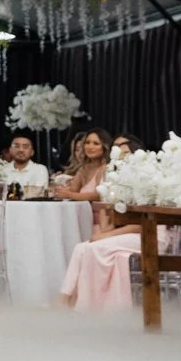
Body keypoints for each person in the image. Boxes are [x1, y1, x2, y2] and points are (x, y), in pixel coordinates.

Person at [56, 127, 144, 310]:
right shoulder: (97, 172)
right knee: (82, 247)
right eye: (87, 143)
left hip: (143, 231)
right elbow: (108, 209)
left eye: (126, 154)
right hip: (114, 226)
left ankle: (73, 302)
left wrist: (106, 234)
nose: (122, 158)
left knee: (85, 247)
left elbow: (140, 222)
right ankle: (70, 300)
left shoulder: (136, 179)